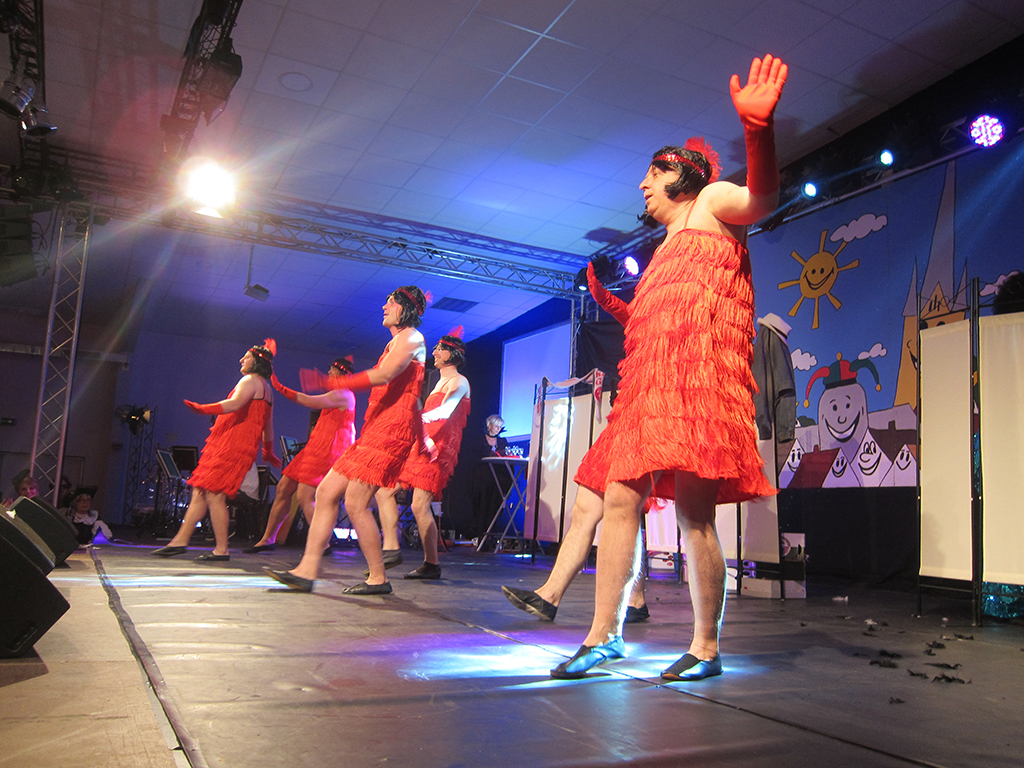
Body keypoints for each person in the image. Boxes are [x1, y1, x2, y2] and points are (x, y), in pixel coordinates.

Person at [548, 54, 786, 681]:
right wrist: (611, 305)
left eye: (652, 174)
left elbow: (762, 197)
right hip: (649, 392)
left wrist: (757, 131)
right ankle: (603, 636)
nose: (642, 186)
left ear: (682, 175)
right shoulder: (661, 253)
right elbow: (654, 324)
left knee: (694, 517)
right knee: (619, 497)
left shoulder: (712, 203)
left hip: (699, 389)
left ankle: (705, 646)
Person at [263, 286, 428, 594]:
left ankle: (378, 578)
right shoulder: (397, 342)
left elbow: (385, 376)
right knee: (325, 492)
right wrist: (423, 439)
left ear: (406, 308)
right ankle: (307, 570)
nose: (384, 306)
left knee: (354, 501)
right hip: (377, 428)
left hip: (390, 431)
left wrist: (333, 381)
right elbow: (414, 398)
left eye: (391, 302)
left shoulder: (412, 338)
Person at [152, 340, 281, 561]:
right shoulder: (267, 390)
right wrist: (267, 450)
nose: (241, 360)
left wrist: (204, 409)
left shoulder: (249, 381)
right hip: (238, 445)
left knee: (214, 494)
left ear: (256, 362)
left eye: (246, 357)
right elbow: (267, 426)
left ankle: (221, 550)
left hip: (232, 444)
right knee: (200, 491)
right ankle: (180, 540)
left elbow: (234, 404)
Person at [374, 328, 471, 579]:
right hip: (423, 447)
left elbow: (445, 412)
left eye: (440, 349)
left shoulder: (459, 381)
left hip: (438, 451)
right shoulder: (438, 382)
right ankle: (392, 546)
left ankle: (431, 563)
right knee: (384, 492)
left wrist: (416, 418)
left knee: (419, 505)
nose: (435, 352)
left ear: (453, 354)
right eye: (436, 348)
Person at [243, 356, 357, 553]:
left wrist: (280, 387)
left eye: (331, 370)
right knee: (283, 488)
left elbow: (308, 400)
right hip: (315, 447)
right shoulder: (338, 394)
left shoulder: (344, 394)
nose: (329, 373)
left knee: (305, 496)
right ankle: (268, 538)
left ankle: (323, 543)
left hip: (326, 450)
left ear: (342, 373)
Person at [468, 414, 510, 539]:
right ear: (489, 425)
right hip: (482, 480)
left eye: (500, 426)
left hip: (497, 480)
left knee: (494, 508)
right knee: (481, 508)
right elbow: (474, 459)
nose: (498, 429)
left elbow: (507, 455)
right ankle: (481, 536)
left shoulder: (502, 442)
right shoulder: (480, 440)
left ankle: (490, 538)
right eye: (496, 426)